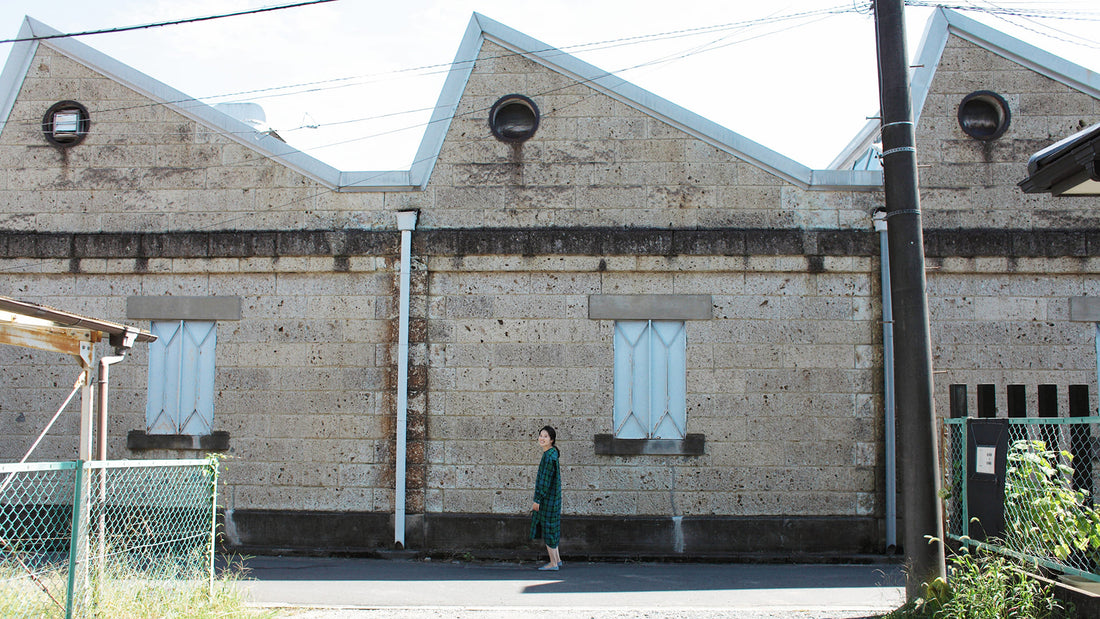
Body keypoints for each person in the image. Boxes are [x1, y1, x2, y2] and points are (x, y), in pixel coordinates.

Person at [530, 425, 562, 570]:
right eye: (541, 435)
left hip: (547, 500)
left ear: (552, 440)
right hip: (553, 499)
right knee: (553, 528)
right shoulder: (552, 454)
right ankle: (558, 559)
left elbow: (544, 482)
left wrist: (537, 500)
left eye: (545, 436)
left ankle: (553, 563)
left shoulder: (549, 457)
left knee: (549, 529)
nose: (542, 438)